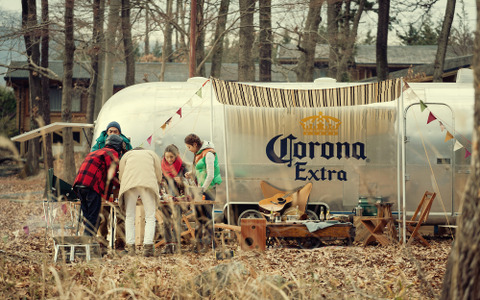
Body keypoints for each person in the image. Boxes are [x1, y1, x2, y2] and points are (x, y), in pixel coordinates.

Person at [73, 135, 126, 246]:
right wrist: (120, 186)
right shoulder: (112, 153)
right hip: (91, 186)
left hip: (79, 185)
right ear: (117, 146)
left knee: (88, 218)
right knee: (94, 218)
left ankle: (85, 245)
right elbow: (112, 175)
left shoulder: (96, 152)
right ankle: (84, 246)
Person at [92, 121, 131, 251]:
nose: (113, 133)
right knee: (103, 214)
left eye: (116, 131)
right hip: (104, 184)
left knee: (121, 214)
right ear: (106, 132)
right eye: (111, 131)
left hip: (121, 182)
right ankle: (102, 243)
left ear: (120, 133)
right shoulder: (99, 144)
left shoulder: (126, 144)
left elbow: (131, 159)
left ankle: (120, 243)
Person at [118, 147, 163, 257]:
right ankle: (147, 247)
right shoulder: (152, 153)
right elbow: (158, 172)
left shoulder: (127, 155)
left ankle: (130, 247)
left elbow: (121, 174)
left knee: (129, 216)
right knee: (150, 216)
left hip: (130, 184)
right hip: (148, 184)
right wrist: (157, 182)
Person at [184, 133, 222, 253]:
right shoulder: (198, 154)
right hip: (201, 189)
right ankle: (198, 244)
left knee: (207, 217)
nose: (189, 150)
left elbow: (210, 174)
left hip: (208, 189)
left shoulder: (209, 154)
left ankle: (208, 244)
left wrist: (202, 189)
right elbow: (200, 170)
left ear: (195, 144)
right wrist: (191, 173)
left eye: (189, 147)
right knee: (199, 217)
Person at [159, 144, 189, 254]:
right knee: (166, 222)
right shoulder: (161, 166)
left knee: (177, 221)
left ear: (176, 156)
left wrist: (182, 182)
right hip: (166, 198)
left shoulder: (182, 166)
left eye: (172, 157)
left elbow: (189, 183)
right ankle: (168, 245)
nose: (169, 159)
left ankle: (177, 246)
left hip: (178, 198)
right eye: (167, 157)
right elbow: (158, 182)